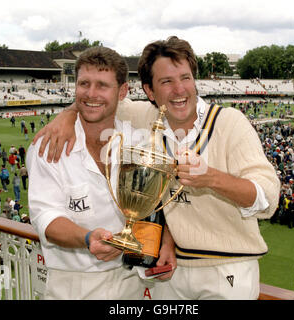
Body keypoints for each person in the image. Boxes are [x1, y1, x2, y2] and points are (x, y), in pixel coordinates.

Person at [32, 36, 280, 300]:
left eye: (185, 78)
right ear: (150, 92)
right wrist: (67, 115)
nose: (179, 89)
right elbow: (97, 99)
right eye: (166, 82)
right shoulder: (146, 118)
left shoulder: (229, 122)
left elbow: (267, 199)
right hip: (168, 274)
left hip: (226, 269)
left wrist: (212, 178)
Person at [27, 46, 172, 300]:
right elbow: (46, 217)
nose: (91, 94)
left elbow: (157, 204)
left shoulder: (138, 143)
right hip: (71, 285)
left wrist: (167, 241)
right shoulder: (49, 145)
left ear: (123, 91)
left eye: (102, 85)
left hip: (129, 284)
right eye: (84, 83)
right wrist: (87, 238)